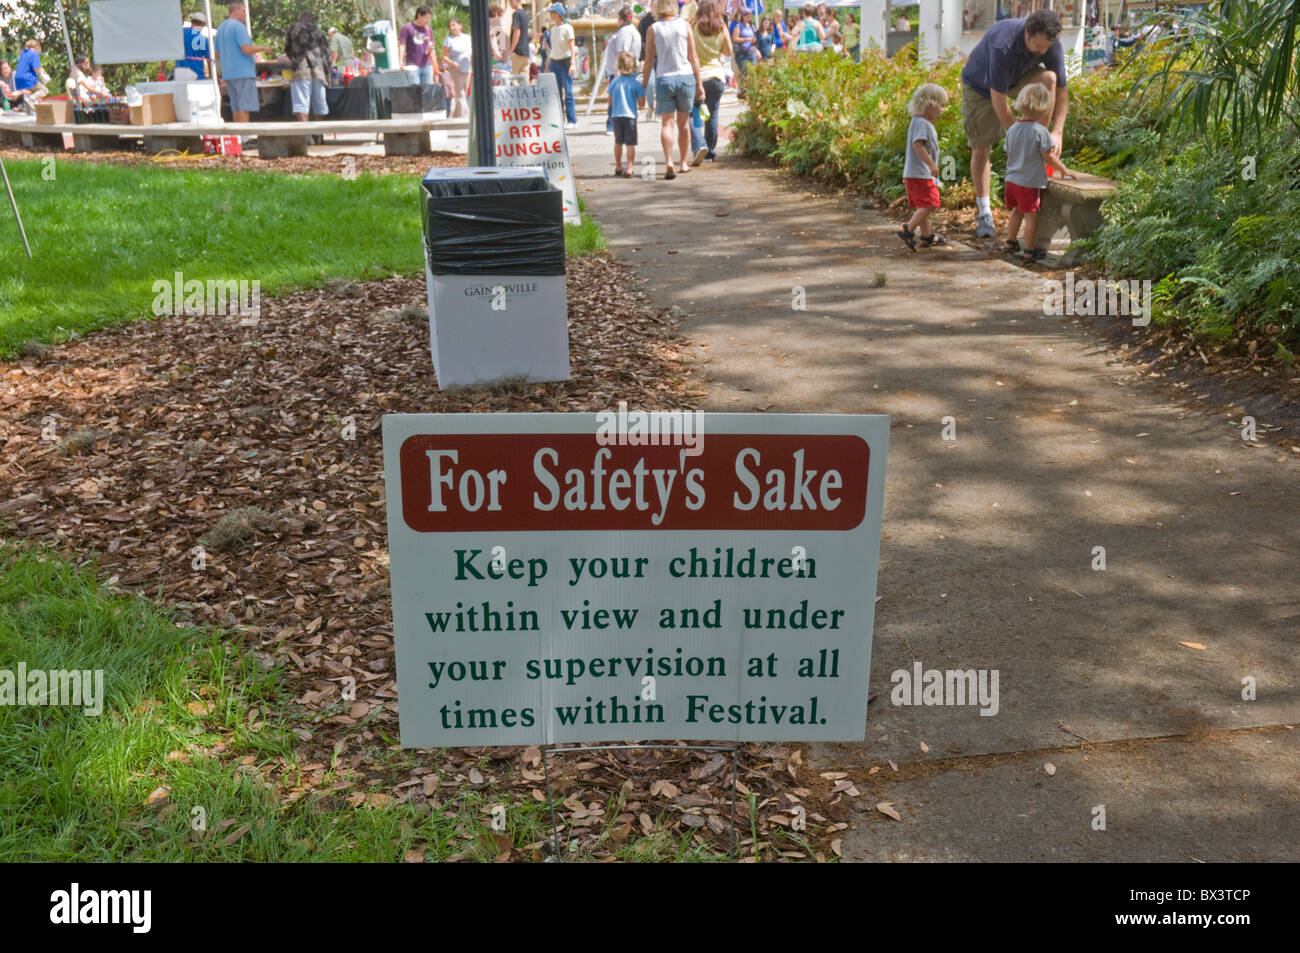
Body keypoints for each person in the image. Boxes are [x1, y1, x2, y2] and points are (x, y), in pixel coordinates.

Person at [960, 9, 1069, 238]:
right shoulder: (1004, 43)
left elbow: (1061, 90)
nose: (1042, 52)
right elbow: (997, 97)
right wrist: (1020, 138)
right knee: (981, 148)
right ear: (1027, 32)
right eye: (1038, 47)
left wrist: (1056, 132)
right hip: (980, 86)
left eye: (1046, 48)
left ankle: (1040, 139)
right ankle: (984, 211)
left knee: (1048, 78)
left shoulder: (1051, 45)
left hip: (1018, 78)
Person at [1002, 82, 1076, 262]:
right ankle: (1030, 250)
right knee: (1032, 217)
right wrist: (1063, 170)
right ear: (1043, 107)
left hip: (1012, 180)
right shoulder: (1040, 131)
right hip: (1029, 182)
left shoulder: (1012, 129)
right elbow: (1048, 156)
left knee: (1016, 211)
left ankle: (1010, 242)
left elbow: (1008, 151)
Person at [642, 0, 703, 179]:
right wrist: (699, 83)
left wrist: (643, 87)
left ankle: (669, 160)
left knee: (666, 123)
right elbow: (693, 57)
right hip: (685, 77)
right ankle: (683, 163)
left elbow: (648, 61)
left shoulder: (653, 29)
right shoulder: (685, 26)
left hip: (664, 78)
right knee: (683, 124)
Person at [897, 83, 949, 251]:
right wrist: (932, 165)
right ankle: (908, 229)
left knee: (923, 204)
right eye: (941, 105)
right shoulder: (922, 123)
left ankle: (926, 236)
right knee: (931, 203)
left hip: (915, 173)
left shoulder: (919, 121)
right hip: (920, 173)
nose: (943, 109)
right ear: (929, 104)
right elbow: (917, 145)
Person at [215, 3, 269, 124]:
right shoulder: (239, 27)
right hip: (243, 72)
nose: (245, 14)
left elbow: (217, 53)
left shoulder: (221, 28)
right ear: (236, 10)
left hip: (228, 73)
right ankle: (246, 139)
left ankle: (239, 137)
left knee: (236, 107)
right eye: (244, 11)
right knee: (245, 107)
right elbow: (246, 49)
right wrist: (263, 48)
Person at [693, 0, 731, 163]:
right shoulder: (721, 27)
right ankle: (710, 151)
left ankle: (699, 145)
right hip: (716, 75)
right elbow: (728, 50)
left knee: (693, 113)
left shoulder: (692, 26)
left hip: (697, 77)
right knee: (712, 114)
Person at [285, 9, 331, 122]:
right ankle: (317, 135)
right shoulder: (319, 31)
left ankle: (306, 136)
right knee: (320, 106)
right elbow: (327, 54)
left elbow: (287, 51)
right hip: (319, 72)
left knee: (301, 106)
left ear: (300, 18)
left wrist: (295, 60)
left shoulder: (294, 29)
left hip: (301, 71)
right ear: (312, 20)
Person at [608, 51, 646, 175]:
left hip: (616, 116)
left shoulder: (614, 82)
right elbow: (641, 103)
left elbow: (610, 101)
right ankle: (629, 168)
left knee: (618, 142)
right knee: (630, 143)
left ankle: (618, 167)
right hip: (630, 116)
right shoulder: (636, 83)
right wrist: (640, 106)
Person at [606, 7, 642, 132]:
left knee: (616, 99)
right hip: (631, 70)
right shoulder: (633, 30)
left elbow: (621, 52)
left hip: (623, 71)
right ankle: (629, 125)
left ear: (620, 19)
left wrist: (618, 71)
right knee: (628, 99)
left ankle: (612, 125)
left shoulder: (624, 32)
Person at [546, 4, 577, 129]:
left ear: (558, 14)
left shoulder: (567, 28)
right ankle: (559, 119)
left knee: (568, 92)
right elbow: (553, 48)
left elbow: (572, 47)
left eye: (552, 13)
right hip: (555, 62)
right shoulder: (553, 29)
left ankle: (572, 120)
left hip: (565, 62)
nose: (550, 15)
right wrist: (548, 64)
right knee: (556, 93)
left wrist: (573, 63)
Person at [441, 18, 473, 118]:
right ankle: (464, 116)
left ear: (460, 26)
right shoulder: (449, 40)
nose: (452, 28)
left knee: (468, 92)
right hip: (456, 69)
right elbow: (444, 56)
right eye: (450, 26)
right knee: (460, 93)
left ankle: (458, 114)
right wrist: (452, 63)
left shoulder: (468, 38)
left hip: (468, 68)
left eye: (454, 25)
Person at [399, 5, 437, 85]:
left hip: (427, 65)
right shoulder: (407, 28)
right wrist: (400, 60)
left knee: (427, 92)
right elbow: (402, 45)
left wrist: (430, 49)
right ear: (419, 15)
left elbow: (432, 45)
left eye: (429, 18)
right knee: (414, 92)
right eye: (426, 18)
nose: (428, 20)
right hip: (412, 66)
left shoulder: (428, 28)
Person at [730, 7, 759, 90]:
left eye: (750, 15)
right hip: (741, 53)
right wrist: (746, 39)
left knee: (753, 72)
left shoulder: (752, 26)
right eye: (746, 15)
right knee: (745, 72)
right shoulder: (739, 26)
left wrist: (754, 41)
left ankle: (752, 90)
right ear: (743, 16)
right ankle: (744, 91)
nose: (749, 17)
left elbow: (755, 38)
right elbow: (735, 38)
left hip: (750, 52)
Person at [637, 6, 657, 120]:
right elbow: (641, 42)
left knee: (660, 84)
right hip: (649, 58)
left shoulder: (665, 20)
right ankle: (651, 107)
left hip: (662, 58)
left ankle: (659, 110)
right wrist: (642, 59)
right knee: (650, 83)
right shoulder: (645, 21)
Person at [14, 40, 48, 107]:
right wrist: (43, 73)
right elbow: (35, 68)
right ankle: (31, 99)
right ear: (37, 47)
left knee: (30, 92)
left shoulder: (23, 53)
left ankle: (24, 106)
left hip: (18, 78)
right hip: (28, 78)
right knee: (44, 90)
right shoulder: (34, 53)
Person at [178, 12, 211, 79]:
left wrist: (161, 69)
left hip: (180, 76)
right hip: (198, 77)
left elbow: (169, 51)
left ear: (192, 21)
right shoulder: (203, 39)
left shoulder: (179, 34)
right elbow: (209, 60)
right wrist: (213, 76)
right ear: (203, 24)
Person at [508, 0, 531, 80]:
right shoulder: (525, 14)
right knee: (524, 81)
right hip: (526, 52)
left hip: (517, 52)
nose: (509, 3)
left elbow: (517, 32)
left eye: (510, 1)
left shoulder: (516, 13)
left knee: (514, 80)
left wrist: (511, 50)